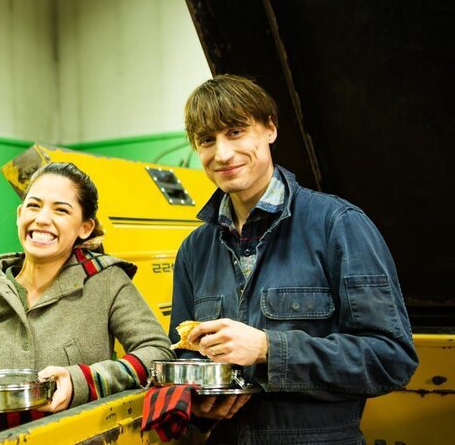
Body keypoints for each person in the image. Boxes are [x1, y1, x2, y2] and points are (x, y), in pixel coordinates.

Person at [169, 74, 418, 444]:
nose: (221, 153)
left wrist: (269, 349)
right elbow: (183, 360)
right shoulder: (194, 250)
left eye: (235, 131)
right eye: (207, 140)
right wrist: (198, 402)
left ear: (270, 129)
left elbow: (390, 359)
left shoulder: (338, 226)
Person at [0, 162, 174, 441]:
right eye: (34, 206)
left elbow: (158, 353)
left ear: (85, 227)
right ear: (19, 214)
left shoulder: (107, 282)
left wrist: (81, 382)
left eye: (61, 210)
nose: (42, 219)